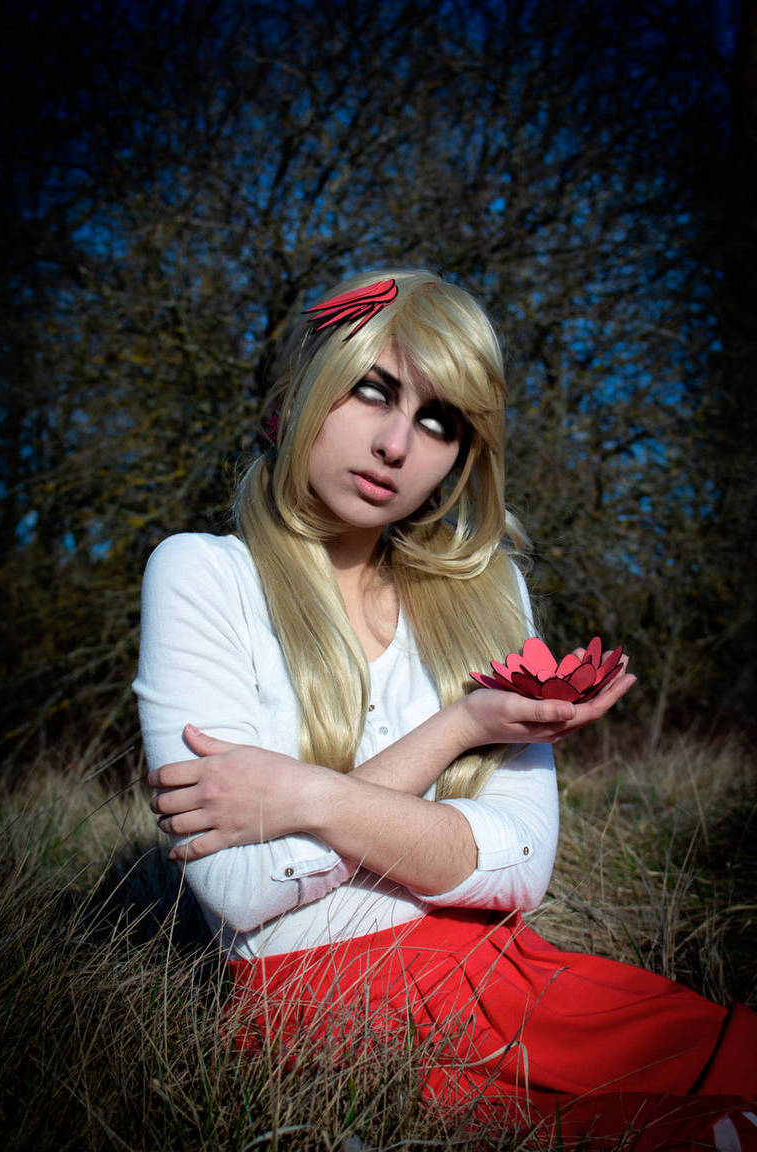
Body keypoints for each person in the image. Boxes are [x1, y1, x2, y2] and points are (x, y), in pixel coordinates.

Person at [133, 269, 756, 1150]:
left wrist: (310, 797)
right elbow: (239, 887)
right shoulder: (204, 574)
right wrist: (458, 744)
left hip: (515, 973)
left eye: (439, 421)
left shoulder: (487, 596)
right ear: (308, 388)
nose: (396, 443)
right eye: (373, 391)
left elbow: (523, 868)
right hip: (328, 1008)